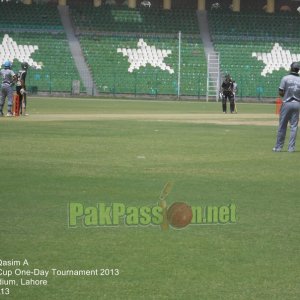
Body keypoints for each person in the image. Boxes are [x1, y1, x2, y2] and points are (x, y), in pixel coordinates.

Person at [273, 62, 300, 152]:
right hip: (297, 104)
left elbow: (281, 92)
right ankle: (291, 148)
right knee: (294, 127)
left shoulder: (285, 78)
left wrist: (286, 94)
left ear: (291, 68)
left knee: (282, 126)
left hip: (287, 103)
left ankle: (278, 147)